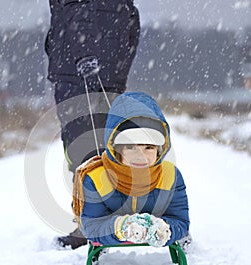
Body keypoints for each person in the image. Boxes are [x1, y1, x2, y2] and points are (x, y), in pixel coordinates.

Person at [45, 0, 140, 248]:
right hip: (107, 70)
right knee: (105, 145)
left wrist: (84, 54)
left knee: (83, 148)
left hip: (79, 71)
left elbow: (78, 10)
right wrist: (120, 65)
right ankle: (106, 219)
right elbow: (131, 21)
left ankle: (92, 224)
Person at [72, 92, 190, 247]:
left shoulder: (171, 176)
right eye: (130, 147)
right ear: (117, 149)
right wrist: (121, 226)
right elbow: (93, 226)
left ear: (160, 150)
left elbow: (180, 219)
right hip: (113, 230)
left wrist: (166, 228)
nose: (140, 156)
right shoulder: (96, 177)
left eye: (149, 147)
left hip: (158, 225)